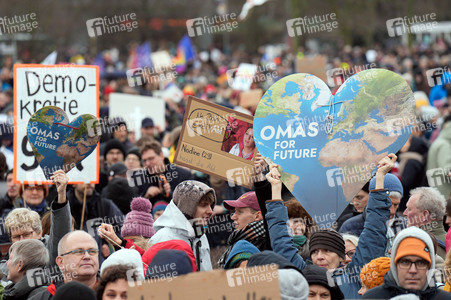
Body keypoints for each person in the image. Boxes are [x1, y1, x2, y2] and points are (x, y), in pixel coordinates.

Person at [261, 154, 396, 299]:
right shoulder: (300, 275)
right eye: (314, 252)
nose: (319, 257)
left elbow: (373, 233)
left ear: (341, 257)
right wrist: (275, 188)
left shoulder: (355, 276)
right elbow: (280, 241)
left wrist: (380, 177)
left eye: (327, 251)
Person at [1, 170, 71, 280]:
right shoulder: (5, 268)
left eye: (26, 234)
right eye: (16, 236)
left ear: (39, 233)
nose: (22, 240)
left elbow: (61, 229)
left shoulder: (50, 253)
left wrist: (61, 194)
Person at [362, 227, 451, 299]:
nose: (413, 270)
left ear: (430, 266)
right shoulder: (372, 297)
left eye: (421, 262)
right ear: (394, 265)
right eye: (405, 262)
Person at [150, 180, 216, 271]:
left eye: (210, 205)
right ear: (187, 207)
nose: (210, 211)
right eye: (204, 205)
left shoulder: (201, 236)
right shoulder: (163, 239)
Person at [340, 173, 406, 255]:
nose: (392, 211)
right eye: (388, 204)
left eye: (396, 205)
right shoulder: (350, 227)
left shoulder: (406, 226)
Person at [30, 231, 100, 300]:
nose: (87, 256)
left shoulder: (109, 294)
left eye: (92, 251)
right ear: (60, 262)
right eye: (78, 252)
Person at [218, 191, 267, 268]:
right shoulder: (240, 238)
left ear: (257, 216)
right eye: (234, 211)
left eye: (239, 212)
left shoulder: (269, 243)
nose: (233, 217)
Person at [403, 187, 447, 259]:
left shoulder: (418, 246)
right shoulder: (448, 240)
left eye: (409, 209)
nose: (405, 213)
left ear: (425, 215)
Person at [426, 115, 451, 200]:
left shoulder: (439, 141)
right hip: (444, 192)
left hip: (437, 191)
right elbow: (447, 169)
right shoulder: (445, 145)